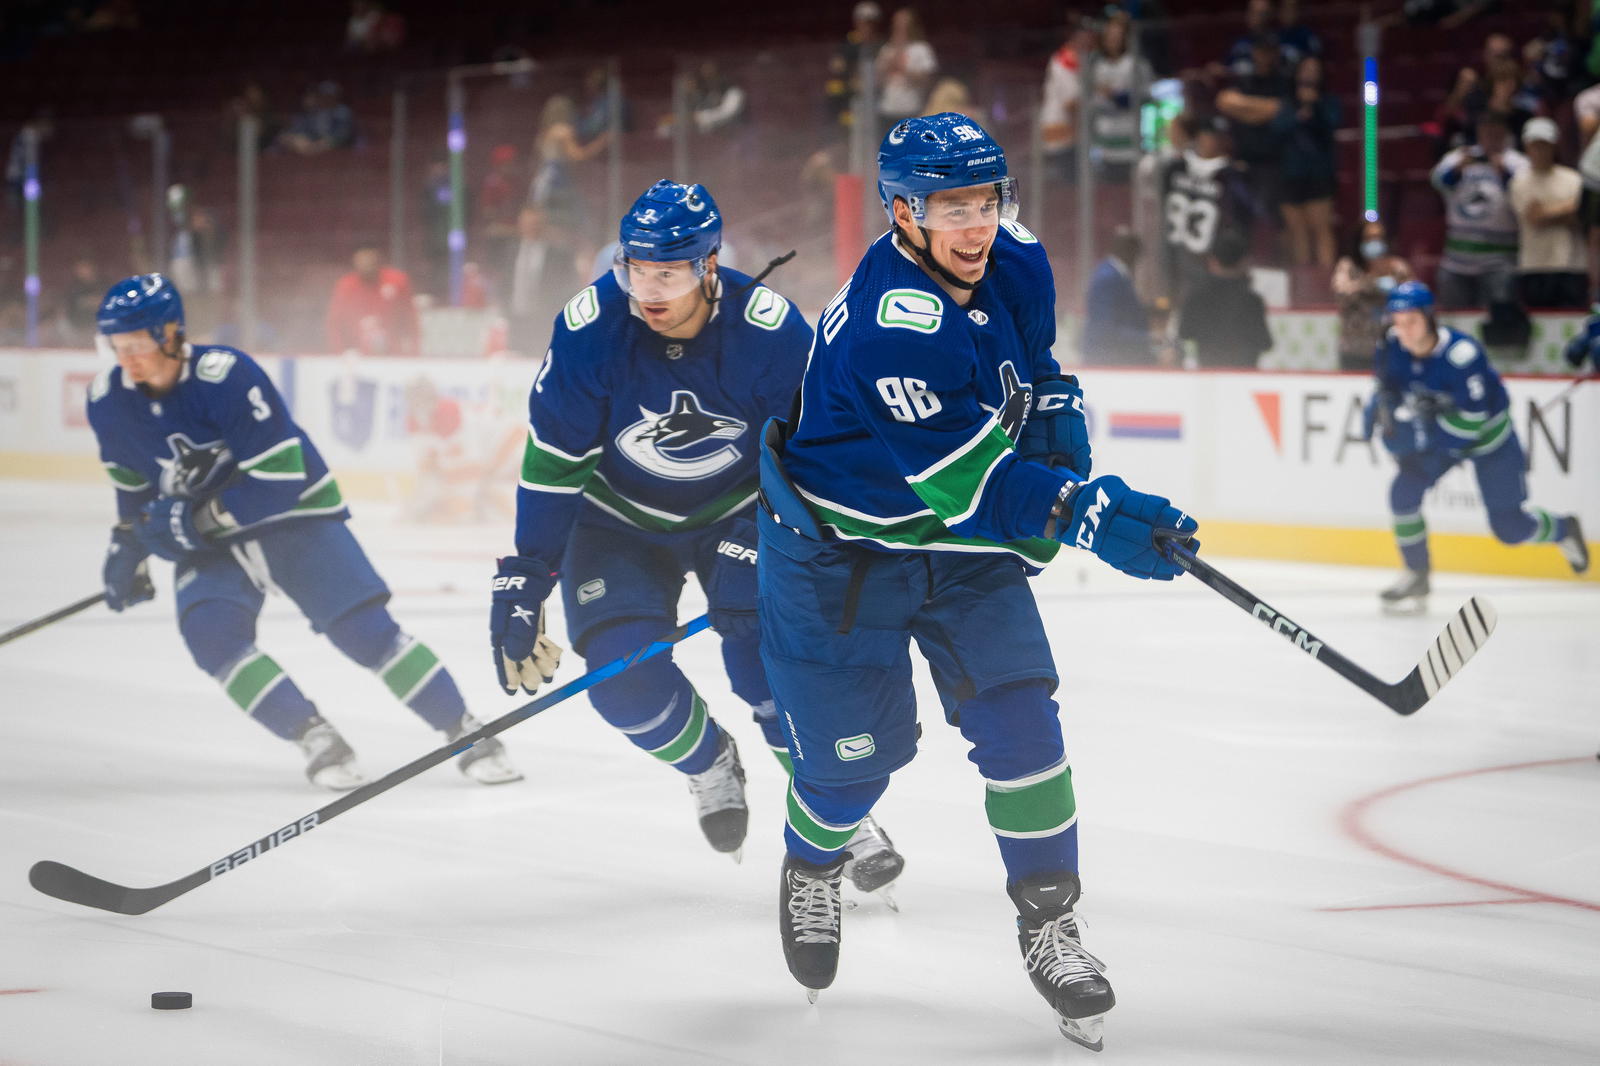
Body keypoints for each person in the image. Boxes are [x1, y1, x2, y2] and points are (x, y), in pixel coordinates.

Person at [756, 112, 1198, 1051]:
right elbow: (973, 488)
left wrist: (1065, 438)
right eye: (948, 205)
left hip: (954, 550)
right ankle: (811, 860)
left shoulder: (1017, 255)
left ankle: (1051, 924)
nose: (975, 224)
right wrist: (1083, 512)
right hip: (842, 552)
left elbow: (1036, 370)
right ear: (902, 211)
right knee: (851, 766)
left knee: (1023, 720)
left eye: (986, 199)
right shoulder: (891, 324)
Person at [487, 180, 907, 890]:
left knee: (768, 668)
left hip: (740, 511)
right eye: (636, 270)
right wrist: (527, 572)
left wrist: (756, 537)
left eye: (670, 272)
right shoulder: (591, 330)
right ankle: (710, 762)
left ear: (710, 265)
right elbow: (554, 463)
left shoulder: (769, 332)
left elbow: (813, 457)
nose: (649, 289)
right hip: (615, 522)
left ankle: (836, 813)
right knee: (620, 681)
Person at [86, 274, 519, 790]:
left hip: (292, 515)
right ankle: (315, 736)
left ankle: (467, 730)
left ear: (172, 333)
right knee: (211, 636)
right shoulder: (107, 399)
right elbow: (132, 482)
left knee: (366, 633)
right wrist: (127, 543)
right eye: (118, 347)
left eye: (137, 345)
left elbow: (279, 480)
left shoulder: (226, 376)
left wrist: (193, 521)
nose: (127, 358)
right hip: (212, 539)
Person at [1363, 281, 1588, 611]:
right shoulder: (1391, 347)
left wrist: (1418, 434)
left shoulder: (1462, 355)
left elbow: (1472, 422)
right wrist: (1380, 407)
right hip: (1440, 437)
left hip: (1488, 441)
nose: (1404, 331)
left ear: (1429, 318)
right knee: (1403, 493)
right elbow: (1389, 387)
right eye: (1397, 322)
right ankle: (1416, 573)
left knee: (1510, 529)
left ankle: (1563, 528)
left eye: (1411, 321)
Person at [1431, 111, 1527, 311]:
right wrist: (1457, 169)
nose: (1490, 137)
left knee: (1496, 320)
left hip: (1499, 261)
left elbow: (1525, 194)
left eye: (1495, 132)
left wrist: (1503, 173)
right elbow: (1437, 181)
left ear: (1505, 133)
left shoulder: (1517, 162)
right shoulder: (1460, 156)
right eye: (1486, 132)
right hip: (1456, 260)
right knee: (1454, 316)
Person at [1508, 116, 1587, 310]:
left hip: (1571, 265)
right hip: (1534, 266)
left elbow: (1581, 217)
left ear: (1554, 146)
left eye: (1545, 145)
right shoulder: (1519, 181)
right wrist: (1569, 207)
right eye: (1536, 145)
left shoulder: (1573, 179)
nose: (1540, 151)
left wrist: (1549, 211)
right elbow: (1535, 217)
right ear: (1527, 147)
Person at [1177, 227, 1273, 367]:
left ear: (1212, 261)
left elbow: (1185, 333)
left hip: (1209, 374)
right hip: (1244, 376)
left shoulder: (1196, 297)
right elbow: (1265, 342)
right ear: (1244, 262)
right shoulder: (1252, 301)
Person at [1332, 219, 1413, 372]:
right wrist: (1373, 283)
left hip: (1391, 349)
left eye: (1378, 237)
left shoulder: (1398, 267)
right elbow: (1341, 294)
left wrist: (1396, 283)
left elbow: (1415, 297)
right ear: (1360, 241)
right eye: (1369, 238)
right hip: (1355, 350)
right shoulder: (1348, 266)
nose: (1374, 242)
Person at [325, 247, 420, 356]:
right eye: (362, 262)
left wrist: (414, 351)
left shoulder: (397, 281)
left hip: (393, 350)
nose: (367, 266)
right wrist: (339, 352)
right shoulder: (346, 286)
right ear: (355, 263)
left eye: (370, 262)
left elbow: (410, 317)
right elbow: (335, 322)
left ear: (378, 261)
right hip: (357, 353)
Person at [1081, 228, 1154, 364]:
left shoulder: (1115, 274)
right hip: (1106, 357)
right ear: (1129, 252)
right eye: (1137, 255)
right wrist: (1147, 338)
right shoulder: (1108, 277)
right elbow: (1105, 328)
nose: (1137, 262)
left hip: (1112, 355)